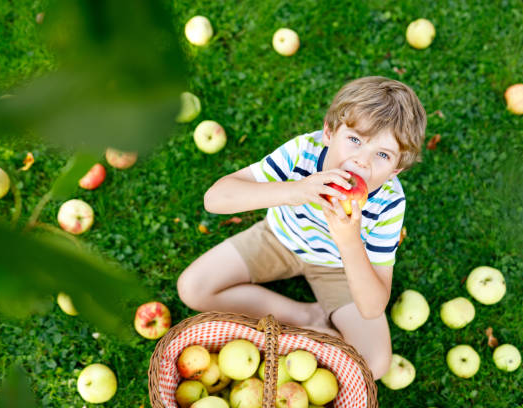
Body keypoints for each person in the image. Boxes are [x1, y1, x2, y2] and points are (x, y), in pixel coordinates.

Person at [177, 76, 426, 379]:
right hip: (278, 239)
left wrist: (349, 241)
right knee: (192, 288)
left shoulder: (388, 202)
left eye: (383, 155)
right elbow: (215, 199)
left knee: (373, 365)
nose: (362, 161)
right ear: (329, 132)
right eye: (355, 140)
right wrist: (294, 190)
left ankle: (318, 321)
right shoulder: (302, 152)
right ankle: (306, 315)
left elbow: (373, 306)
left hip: (339, 268)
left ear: (395, 170)